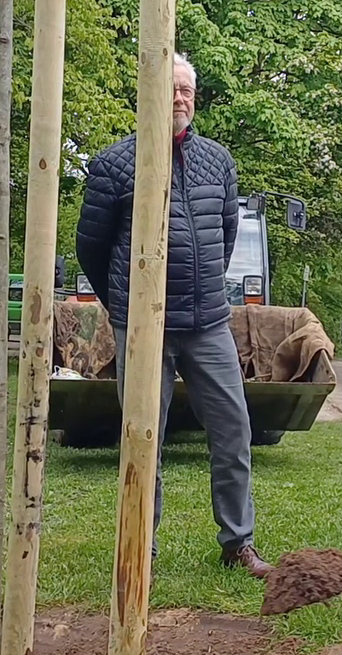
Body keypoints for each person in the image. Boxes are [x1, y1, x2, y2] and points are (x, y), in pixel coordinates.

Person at [75, 53, 272, 579]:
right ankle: (141, 544)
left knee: (233, 430)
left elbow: (224, 237)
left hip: (207, 323)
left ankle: (238, 543)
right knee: (143, 436)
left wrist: (205, 285)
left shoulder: (217, 161)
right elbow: (90, 247)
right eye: (171, 90)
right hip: (143, 328)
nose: (180, 98)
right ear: (150, 97)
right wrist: (125, 307)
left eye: (187, 90)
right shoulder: (115, 164)